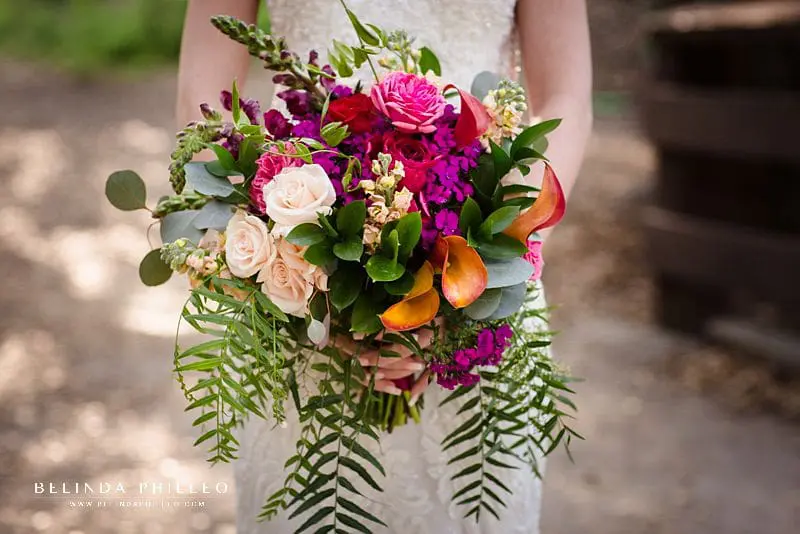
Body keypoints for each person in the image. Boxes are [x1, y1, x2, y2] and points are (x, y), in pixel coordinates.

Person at [177, 1, 592, 532]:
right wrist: (301, 277)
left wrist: (495, 259)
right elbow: (201, 98)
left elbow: (567, 99)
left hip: (481, 265)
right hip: (301, 276)